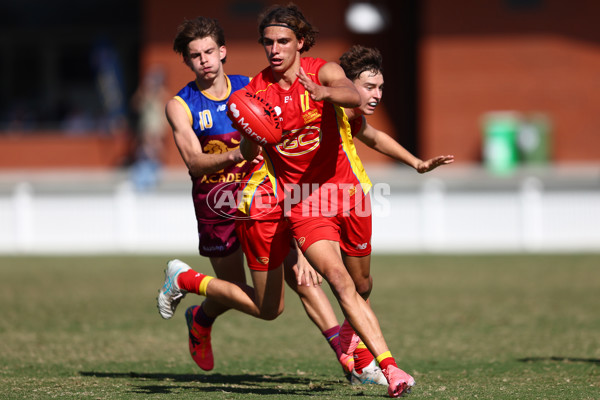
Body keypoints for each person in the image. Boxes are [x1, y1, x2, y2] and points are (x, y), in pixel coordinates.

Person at [235, 4, 415, 397]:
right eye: (268, 42)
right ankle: (389, 368)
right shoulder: (253, 92)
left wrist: (323, 93)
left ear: (300, 42)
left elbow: (351, 94)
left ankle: (355, 347)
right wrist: (251, 131)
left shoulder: (322, 71)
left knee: (362, 282)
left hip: (347, 194)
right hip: (303, 204)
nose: (275, 49)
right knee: (338, 281)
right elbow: (251, 153)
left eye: (283, 41)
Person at [160, 16, 349, 376]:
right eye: (195, 55)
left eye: (210, 51)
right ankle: (200, 317)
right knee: (233, 291)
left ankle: (348, 357)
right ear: (187, 61)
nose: (204, 60)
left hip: (263, 199)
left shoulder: (252, 88)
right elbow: (195, 164)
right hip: (217, 206)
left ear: (223, 51)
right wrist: (237, 154)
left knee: (301, 275)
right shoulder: (180, 106)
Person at [333, 44, 455, 383]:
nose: (377, 94)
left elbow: (372, 136)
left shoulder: (352, 115)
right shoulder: (319, 110)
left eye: (381, 87)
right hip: (314, 204)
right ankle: (367, 358)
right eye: (369, 86)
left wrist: (416, 162)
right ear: (348, 84)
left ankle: (349, 341)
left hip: (356, 200)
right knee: (339, 282)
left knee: (362, 284)